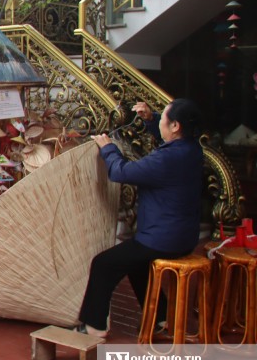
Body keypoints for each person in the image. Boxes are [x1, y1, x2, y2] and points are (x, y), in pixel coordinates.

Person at [77, 99, 204, 338]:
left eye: (162, 117)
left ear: (175, 126)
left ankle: (94, 326)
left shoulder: (167, 159)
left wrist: (108, 148)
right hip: (184, 236)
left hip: (162, 239)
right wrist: (151, 119)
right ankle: (160, 318)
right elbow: (168, 139)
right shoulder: (192, 149)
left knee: (103, 264)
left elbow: (121, 172)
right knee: (136, 264)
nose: (160, 120)